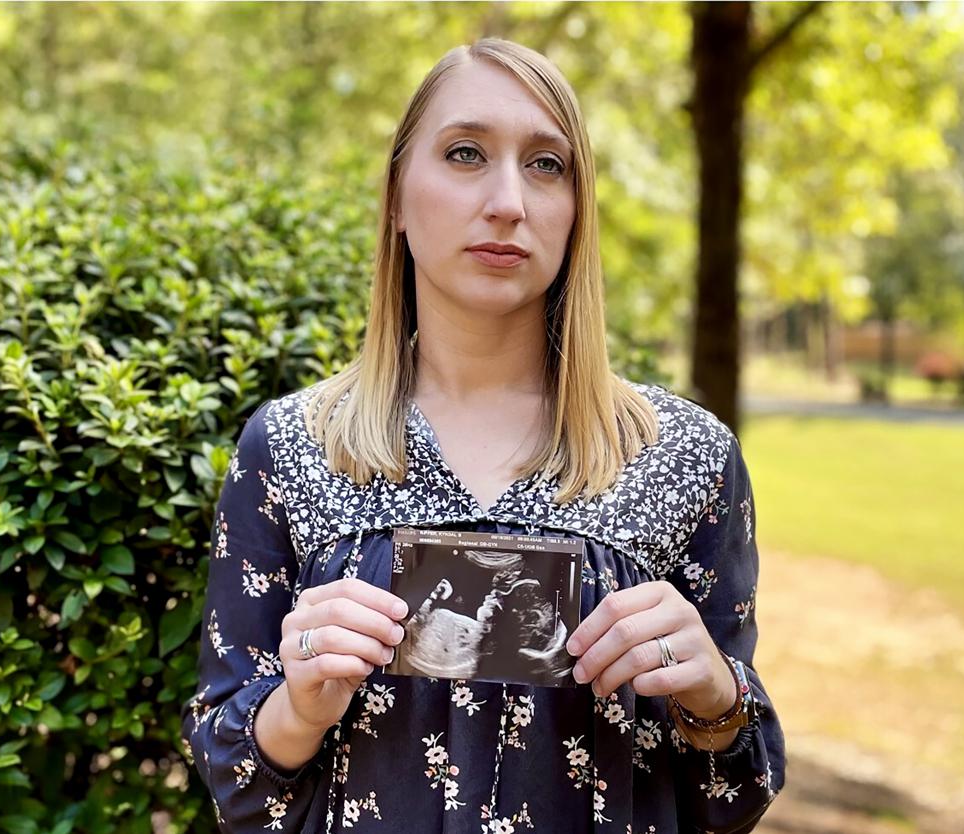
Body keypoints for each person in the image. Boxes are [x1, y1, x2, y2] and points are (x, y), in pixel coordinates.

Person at [181, 36, 786, 834]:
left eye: (546, 165)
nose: (509, 200)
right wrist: (299, 707)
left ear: (577, 209)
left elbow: (731, 799)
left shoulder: (686, 456)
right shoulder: (290, 447)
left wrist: (714, 698)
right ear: (397, 196)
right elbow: (233, 779)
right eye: (466, 153)